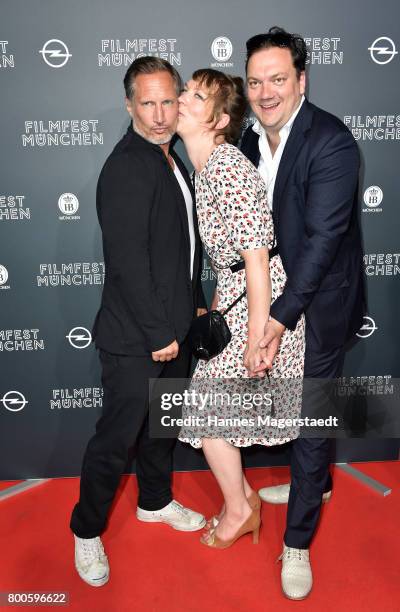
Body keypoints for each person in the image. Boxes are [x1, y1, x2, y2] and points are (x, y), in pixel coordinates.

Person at [70, 57, 207, 587]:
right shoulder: (129, 165)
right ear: (129, 105)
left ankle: (154, 502)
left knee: (161, 430)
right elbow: (128, 260)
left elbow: (178, 251)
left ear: (179, 100)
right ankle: (85, 530)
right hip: (137, 339)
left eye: (167, 101)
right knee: (116, 439)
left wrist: (192, 305)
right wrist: (158, 333)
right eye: (146, 103)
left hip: (171, 329)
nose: (158, 114)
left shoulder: (169, 159)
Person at [241, 27, 365, 599]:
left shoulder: (332, 142)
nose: (266, 92)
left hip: (315, 305)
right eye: (256, 81)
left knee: (313, 416)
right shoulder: (246, 143)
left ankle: (297, 543)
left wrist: (278, 318)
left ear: (301, 80)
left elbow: (319, 243)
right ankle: (310, 483)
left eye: (278, 79)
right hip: (273, 303)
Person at [177, 70, 305, 549]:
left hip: (259, 303)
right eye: (187, 91)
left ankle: (238, 511)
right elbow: (232, 261)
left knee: (209, 418)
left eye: (196, 96)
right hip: (237, 298)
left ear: (220, 120)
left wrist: (258, 338)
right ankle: (244, 501)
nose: (183, 100)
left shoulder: (227, 167)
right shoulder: (206, 165)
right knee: (212, 416)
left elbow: (256, 258)